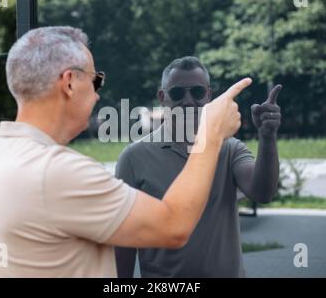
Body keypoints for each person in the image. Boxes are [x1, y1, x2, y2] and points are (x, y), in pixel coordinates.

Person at [0, 27, 252, 277]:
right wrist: (211, 134)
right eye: (95, 79)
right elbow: (174, 226)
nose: (98, 93)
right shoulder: (59, 172)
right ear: (69, 83)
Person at [115, 56, 282, 277]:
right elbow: (124, 239)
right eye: (177, 93)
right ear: (163, 97)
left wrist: (267, 137)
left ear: (209, 96)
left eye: (197, 92)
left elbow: (262, 192)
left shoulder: (229, 148)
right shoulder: (133, 157)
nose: (188, 101)